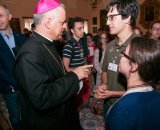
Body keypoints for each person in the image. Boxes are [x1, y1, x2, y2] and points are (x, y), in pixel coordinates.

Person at [14, 0, 92, 130]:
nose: (64, 27)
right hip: (49, 122)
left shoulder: (49, 43)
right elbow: (43, 98)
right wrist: (74, 76)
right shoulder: (29, 55)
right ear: (48, 22)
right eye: (62, 22)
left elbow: (57, 76)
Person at [94, 0, 139, 123]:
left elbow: (142, 89)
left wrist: (111, 93)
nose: (107, 22)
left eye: (112, 17)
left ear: (127, 17)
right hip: (108, 103)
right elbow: (105, 71)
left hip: (129, 105)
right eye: (107, 18)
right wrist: (104, 85)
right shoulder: (109, 46)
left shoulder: (139, 46)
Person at [106, 37, 160, 130]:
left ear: (134, 66)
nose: (120, 56)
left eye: (124, 54)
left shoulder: (122, 110)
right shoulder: (157, 96)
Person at [0, 4, 27, 130]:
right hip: (9, 88)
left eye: (0, 16)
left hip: (26, 86)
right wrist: (13, 83)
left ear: (9, 16)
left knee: (27, 113)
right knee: (15, 116)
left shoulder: (21, 38)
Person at [90, 32, 109, 114]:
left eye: (105, 38)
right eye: (102, 38)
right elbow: (96, 64)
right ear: (100, 39)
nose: (103, 40)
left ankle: (104, 108)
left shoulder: (110, 48)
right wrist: (102, 73)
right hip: (100, 74)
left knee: (106, 91)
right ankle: (92, 106)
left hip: (109, 74)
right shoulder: (98, 50)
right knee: (98, 91)